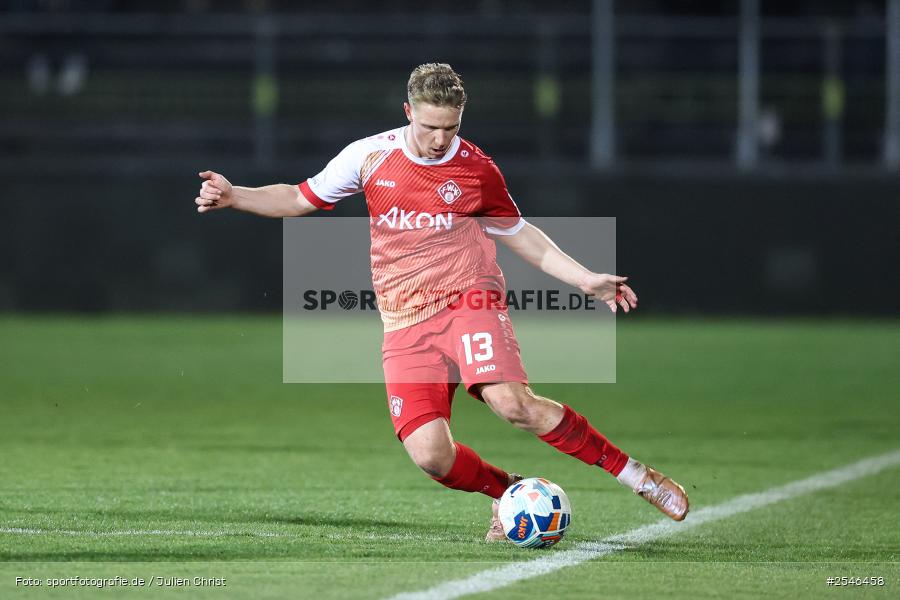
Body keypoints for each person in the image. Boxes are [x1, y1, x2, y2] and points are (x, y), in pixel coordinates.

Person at [194, 63, 688, 541]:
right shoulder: (368, 156)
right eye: (430, 126)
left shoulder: (476, 169)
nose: (439, 139)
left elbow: (520, 235)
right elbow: (300, 198)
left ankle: (637, 476)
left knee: (513, 406)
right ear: (408, 110)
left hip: (468, 298)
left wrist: (584, 279)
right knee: (431, 455)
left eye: (450, 128)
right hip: (404, 321)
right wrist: (235, 195)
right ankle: (510, 491)